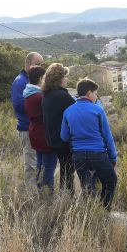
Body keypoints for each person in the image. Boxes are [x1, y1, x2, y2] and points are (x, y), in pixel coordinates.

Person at [61, 79, 117, 210]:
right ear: (88, 93)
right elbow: (107, 137)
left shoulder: (68, 111)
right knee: (110, 181)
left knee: (87, 187)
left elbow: (64, 137)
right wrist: (113, 158)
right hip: (98, 154)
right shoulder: (98, 110)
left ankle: (90, 214)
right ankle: (104, 210)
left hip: (78, 155)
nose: (96, 96)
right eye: (95, 93)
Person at [11, 52, 44, 193]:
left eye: (42, 64)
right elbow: (18, 105)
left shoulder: (34, 80)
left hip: (37, 129)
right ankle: (32, 196)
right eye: (37, 64)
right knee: (30, 163)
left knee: (38, 163)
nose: (40, 67)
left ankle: (40, 191)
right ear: (28, 63)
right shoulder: (20, 82)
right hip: (26, 128)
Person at [41, 63, 77, 193]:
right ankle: (67, 195)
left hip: (52, 137)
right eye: (65, 77)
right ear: (59, 78)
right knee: (68, 169)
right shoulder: (61, 95)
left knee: (64, 167)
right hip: (62, 139)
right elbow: (77, 109)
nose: (66, 79)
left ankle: (64, 195)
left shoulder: (47, 94)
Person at [23, 65, 58, 195]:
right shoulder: (39, 96)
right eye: (45, 77)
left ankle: (40, 191)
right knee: (49, 166)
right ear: (40, 78)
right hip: (44, 134)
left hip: (35, 133)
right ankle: (48, 195)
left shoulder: (28, 94)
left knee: (40, 165)